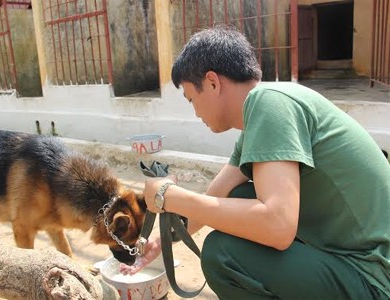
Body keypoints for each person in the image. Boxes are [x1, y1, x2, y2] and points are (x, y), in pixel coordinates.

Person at [120, 27, 390, 299]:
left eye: (192, 99)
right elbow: (218, 193)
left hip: (373, 279)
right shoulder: (268, 106)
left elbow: (278, 227)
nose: (196, 112)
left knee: (221, 255)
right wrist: (163, 240)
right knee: (240, 195)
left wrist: (169, 196)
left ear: (212, 82)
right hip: (353, 260)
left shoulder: (268, 104)